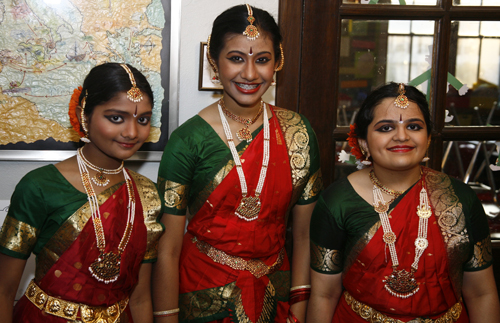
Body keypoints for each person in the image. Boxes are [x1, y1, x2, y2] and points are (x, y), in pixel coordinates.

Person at [152, 4, 322, 323]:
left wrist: (298, 308)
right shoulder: (188, 141)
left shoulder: (298, 132)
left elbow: (303, 237)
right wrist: (166, 318)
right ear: (214, 61)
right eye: (236, 58)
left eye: (262, 59)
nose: (249, 74)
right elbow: (168, 249)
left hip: (278, 291)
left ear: (278, 61)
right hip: (200, 293)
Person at [307, 82, 500, 323]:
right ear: (364, 142)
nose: (401, 136)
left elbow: (481, 293)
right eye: (386, 127)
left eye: (414, 126)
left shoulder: (459, 199)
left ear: (428, 138)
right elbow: (324, 295)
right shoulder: (337, 202)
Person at [0, 62, 164, 323]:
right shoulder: (40, 186)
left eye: (142, 119)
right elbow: (4, 290)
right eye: (116, 118)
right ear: (84, 115)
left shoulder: (147, 195)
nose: (132, 132)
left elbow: (141, 296)